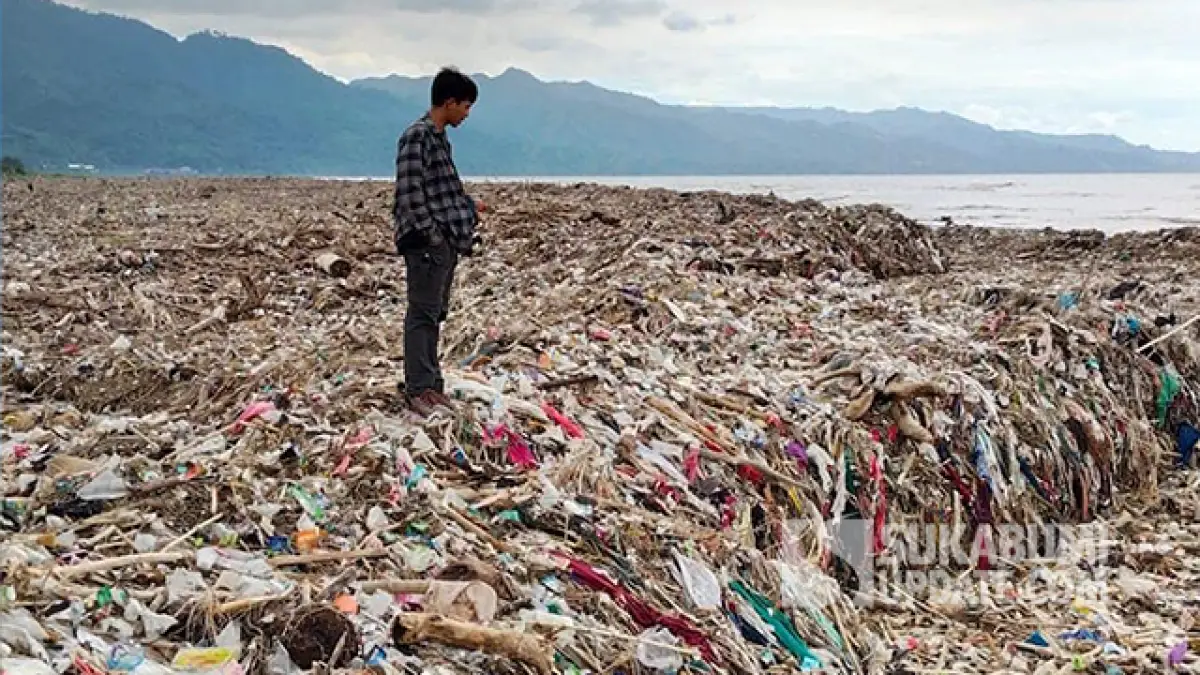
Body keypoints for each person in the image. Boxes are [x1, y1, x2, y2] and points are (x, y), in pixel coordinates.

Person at [392, 67, 484, 416]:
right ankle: (419, 388)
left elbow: (439, 192)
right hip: (427, 244)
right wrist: (431, 236)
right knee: (422, 314)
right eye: (466, 105)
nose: (467, 113)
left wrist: (468, 206)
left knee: (434, 314)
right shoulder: (417, 137)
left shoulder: (439, 138)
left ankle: (431, 384)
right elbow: (410, 194)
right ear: (449, 102)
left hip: (444, 242)